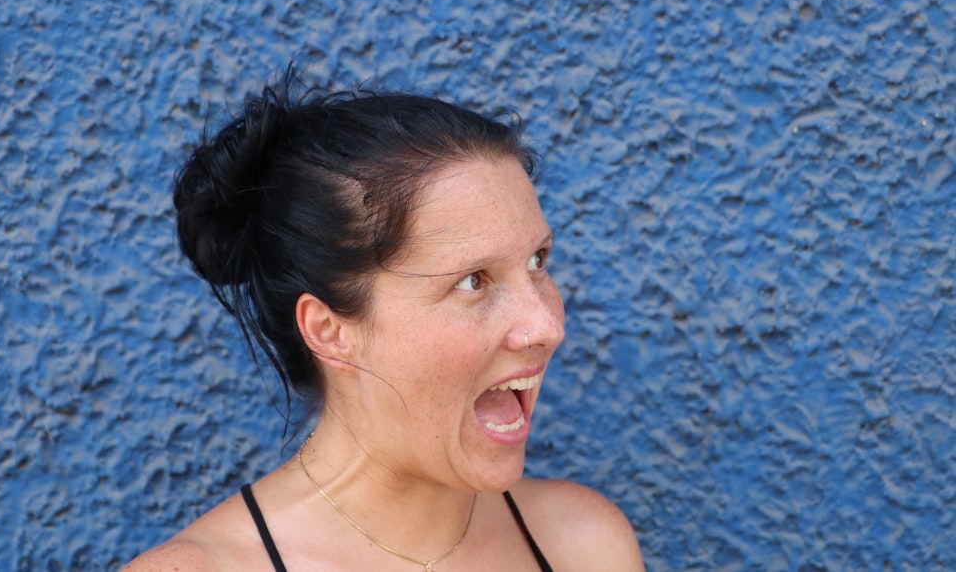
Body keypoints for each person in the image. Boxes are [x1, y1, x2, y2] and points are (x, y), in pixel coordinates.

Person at [124, 69, 645, 571]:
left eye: (538, 261)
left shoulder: (584, 546)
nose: (548, 326)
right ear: (329, 331)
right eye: (473, 281)